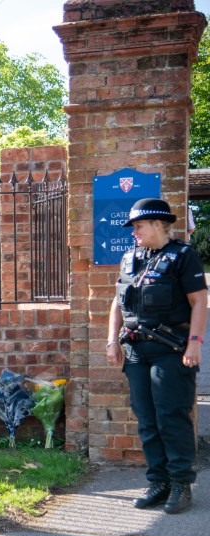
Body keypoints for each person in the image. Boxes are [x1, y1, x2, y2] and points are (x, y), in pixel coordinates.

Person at [107, 198, 207, 514]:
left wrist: (195, 343)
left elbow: (199, 302)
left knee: (172, 417)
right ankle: (159, 482)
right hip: (136, 351)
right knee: (147, 419)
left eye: (138, 226)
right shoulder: (129, 259)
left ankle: (180, 484)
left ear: (158, 224)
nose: (133, 232)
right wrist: (112, 341)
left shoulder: (183, 257)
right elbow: (116, 302)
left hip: (171, 351)